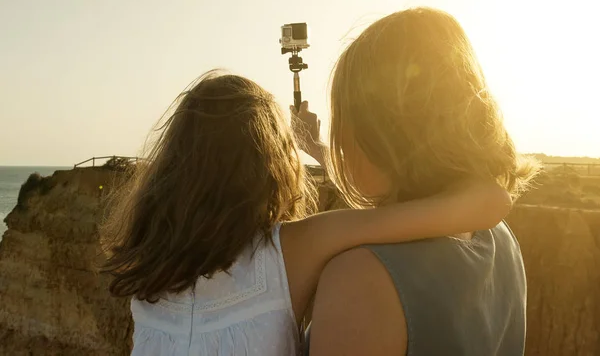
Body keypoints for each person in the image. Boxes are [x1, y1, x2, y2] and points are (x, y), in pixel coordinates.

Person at [100, 70, 511, 356]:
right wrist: (313, 146)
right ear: (269, 166)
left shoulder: (146, 263)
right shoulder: (291, 251)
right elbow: (489, 204)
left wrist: (315, 146)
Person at [297, 7, 539, 356]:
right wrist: (315, 147)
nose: (341, 140)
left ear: (384, 130)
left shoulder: (361, 281)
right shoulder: (499, 238)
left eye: (346, 115)